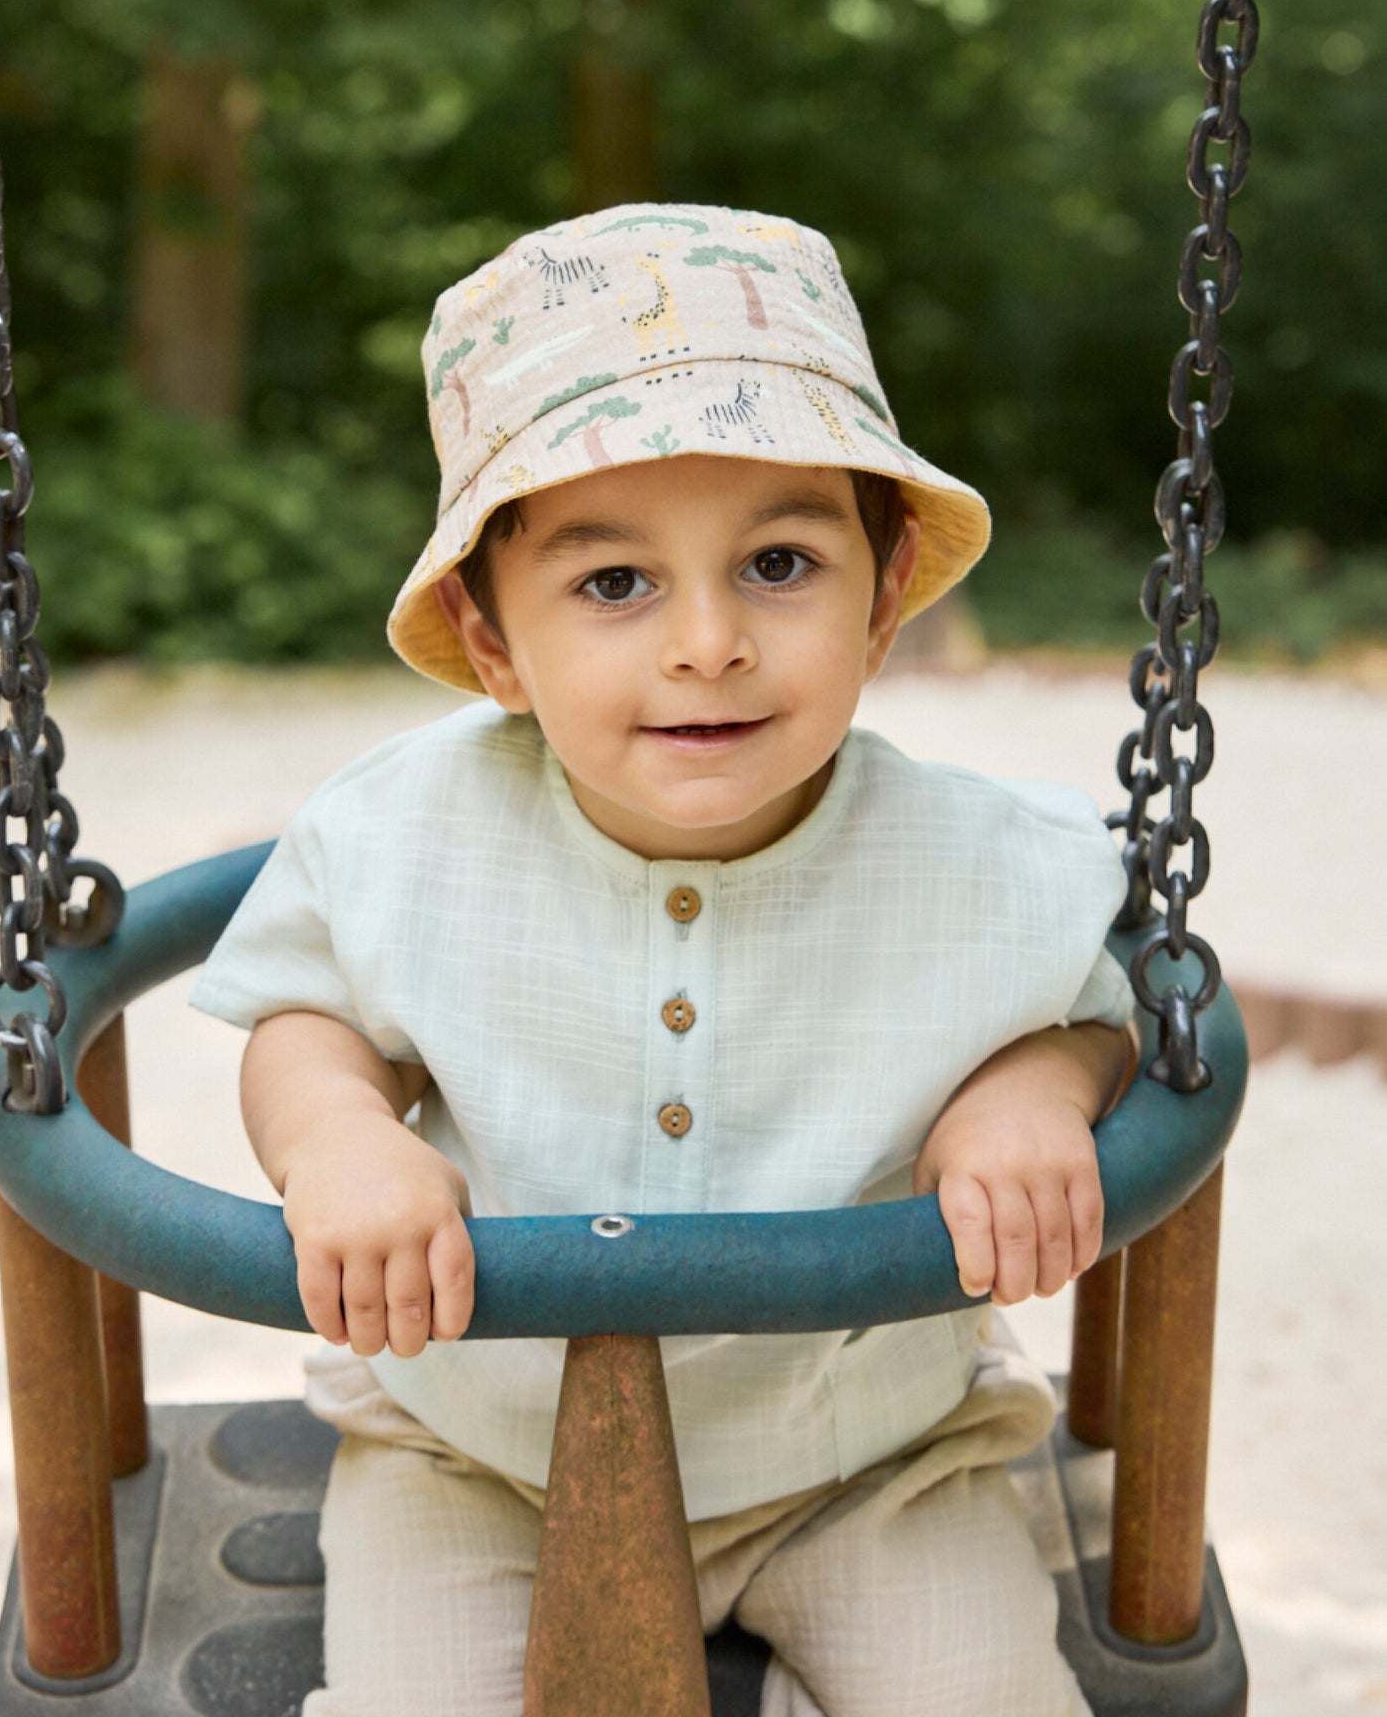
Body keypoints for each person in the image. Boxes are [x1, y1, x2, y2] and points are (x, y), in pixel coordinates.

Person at [192, 201, 1135, 1717]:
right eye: (613, 583)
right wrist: (338, 1141)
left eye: (776, 562)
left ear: (883, 593)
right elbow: (306, 1013)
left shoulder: (988, 860)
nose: (706, 643)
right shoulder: (401, 833)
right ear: (490, 637)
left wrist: (1028, 1092)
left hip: (865, 1460)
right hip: (477, 1457)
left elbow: (1101, 1009)